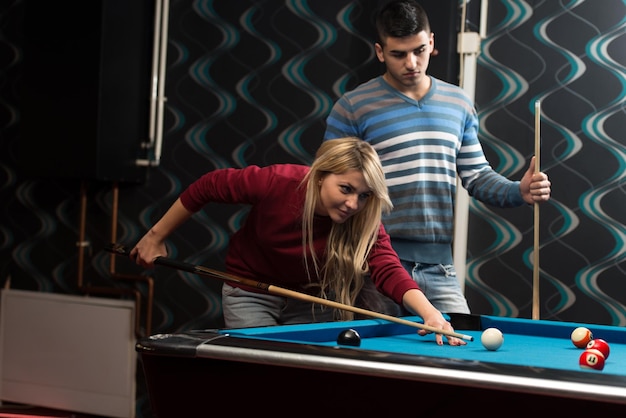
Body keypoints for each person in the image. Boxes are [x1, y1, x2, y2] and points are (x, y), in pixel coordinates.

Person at [323, 0, 552, 314]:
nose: (412, 63)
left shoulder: (457, 102)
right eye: (398, 54)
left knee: (460, 352)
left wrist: (518, 191)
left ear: (431, 43)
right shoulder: (353, 106)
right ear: (380, 52)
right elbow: (327, 185)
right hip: (373, 266)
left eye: (419, 50)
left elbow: (477, 176)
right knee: (375, 360)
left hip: (439, 266)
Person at [130, 137, 465, 346]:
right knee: (263, 378)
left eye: (363, 196)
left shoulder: (362, 218)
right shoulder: (277, 183)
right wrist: (154, 237)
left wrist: (430, 314)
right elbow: (208, 186)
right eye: (345, 189)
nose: (353, 204)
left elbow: (388, 268)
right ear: (320, 176)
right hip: (250, 291)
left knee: (307, 379)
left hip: (312, 297)